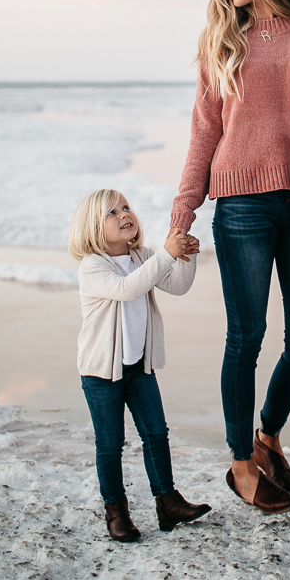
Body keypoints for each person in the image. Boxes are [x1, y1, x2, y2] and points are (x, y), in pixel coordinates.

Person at [171, 0, 290, 513]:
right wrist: (183, 210)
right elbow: (204, 133)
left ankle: (268, 435)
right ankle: (241, 461)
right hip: (241, 205)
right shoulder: (223, 41)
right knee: (245, 337)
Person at [69, 188, 212, 542]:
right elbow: (128, 289)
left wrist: (185, 257)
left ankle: (168, 502)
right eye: (112, 213)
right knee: (110, 443)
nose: (124, 215)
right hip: (102, 372)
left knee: (156, 434)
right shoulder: (93, 266)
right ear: (92, 227)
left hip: (137, 366)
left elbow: (176, 285)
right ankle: (116, 511)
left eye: (126, 207)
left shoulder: (141, 256)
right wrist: (166, 255)